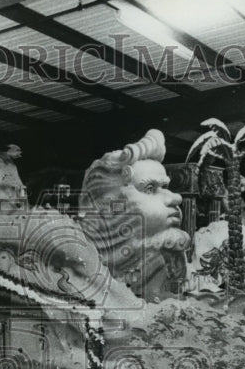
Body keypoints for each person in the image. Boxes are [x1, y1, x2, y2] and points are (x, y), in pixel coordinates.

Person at [78, 128, 191, 300]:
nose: (176, 197)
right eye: (150, 189)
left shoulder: (165, 262)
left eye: (166, 187)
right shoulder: (86, 279)